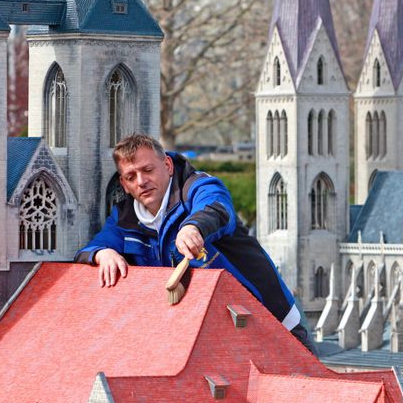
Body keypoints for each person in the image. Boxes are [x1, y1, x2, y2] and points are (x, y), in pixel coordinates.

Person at [75, 134, 314, 351]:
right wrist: (102, 254)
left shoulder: (198, 186)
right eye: (131, 176)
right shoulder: (124, 219)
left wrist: (193, 227)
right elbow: (90, 249)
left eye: (147, 170)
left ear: (167, 165)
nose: (141, 181)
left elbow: (216, 209)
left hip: (272, 318)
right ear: (124, 184)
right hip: (209, 334)